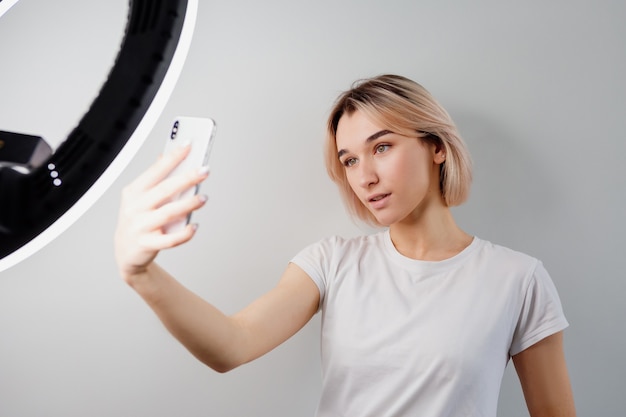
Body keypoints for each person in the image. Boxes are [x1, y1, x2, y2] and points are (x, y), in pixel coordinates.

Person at [114, 74, 576, 416]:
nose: (364, 177)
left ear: (437, 146)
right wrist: (142, 274)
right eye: (349, 160)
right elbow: (231, 345)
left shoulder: (517, 279)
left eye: (381, 148)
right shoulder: (331, 263)